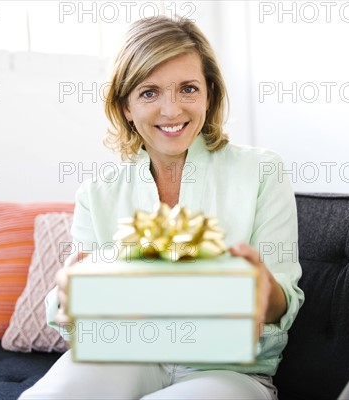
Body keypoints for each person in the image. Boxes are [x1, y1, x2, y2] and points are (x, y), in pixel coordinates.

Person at [20, 15, 304, 400]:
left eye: (188, 89)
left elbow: (283, 300)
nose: (171, 111)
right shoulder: (98, 194)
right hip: (127, 355)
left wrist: (261, 290)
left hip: (228, 370)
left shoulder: (261, 172)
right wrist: (69, 302)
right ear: (125, 106)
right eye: (149, 92)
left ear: (210, 95)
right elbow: (74, 317)